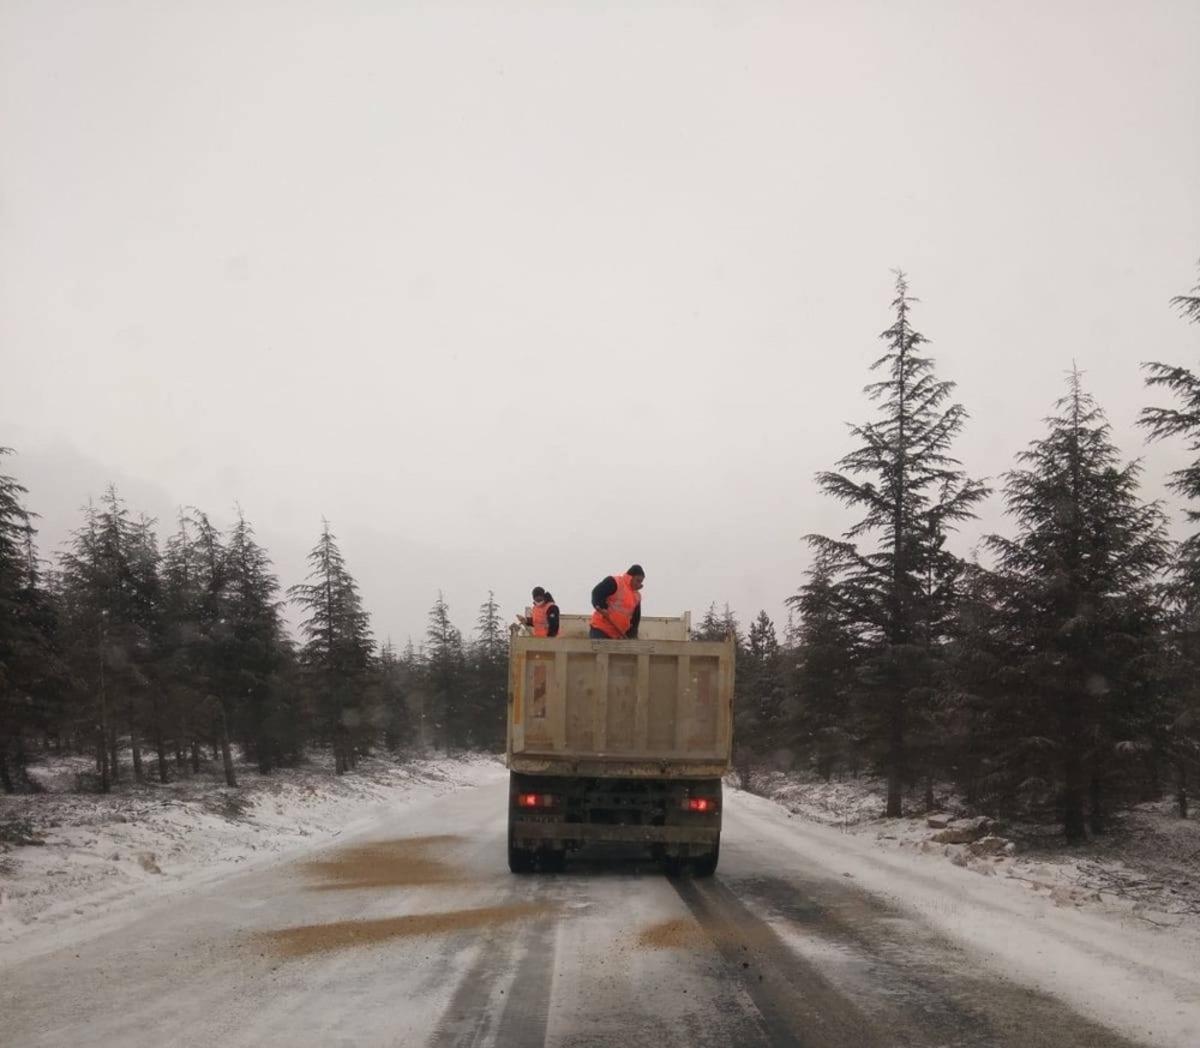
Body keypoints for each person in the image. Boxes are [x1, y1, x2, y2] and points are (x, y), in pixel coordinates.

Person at [589, 565, 644, 639]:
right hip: (600, 630)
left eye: (641, 581)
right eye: (637, 580)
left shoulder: (637, 596)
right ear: (630, 577)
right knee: (600, 650)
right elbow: (597, 593)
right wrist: (603, 608)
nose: (639, 584)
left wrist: (632, 636)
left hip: (618, 635)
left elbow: (635, 619)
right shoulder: (615, 582)